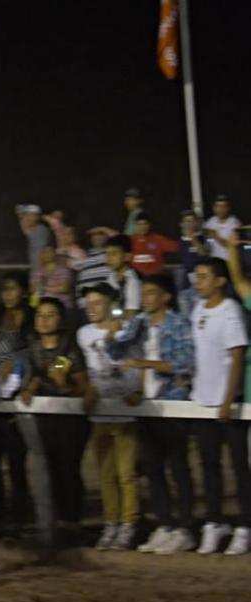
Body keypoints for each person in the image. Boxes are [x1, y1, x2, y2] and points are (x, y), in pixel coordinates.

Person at [108, 274, 197, 554]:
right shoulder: (141, 324)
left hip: (173, 403)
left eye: (150, 293)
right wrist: (112, 335)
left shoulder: (178, 324)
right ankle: (164, 525)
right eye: (143, 293)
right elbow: (117, 351)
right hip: (147, 404)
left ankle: (185, 529)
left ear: (166, 297)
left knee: (178, 468)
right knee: (154, 469)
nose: (145, 298)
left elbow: (185, 363)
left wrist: (143, 363)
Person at [188, 256, 251, 555]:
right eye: (196, 276)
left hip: (228, 405)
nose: (197, 281)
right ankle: (214, 522)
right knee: (209, 467)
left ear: (220, 281)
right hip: (202, 403)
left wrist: (227, 401)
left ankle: (244, 526)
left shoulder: (231, 312)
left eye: (203, 276)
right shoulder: (198, 309)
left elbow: (237, 357)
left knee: (239, 468)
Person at [17, 298, 91, 534]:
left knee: (69, 467)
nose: (44, 320)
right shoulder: (32, 347)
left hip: (71, 417)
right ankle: (57, 521)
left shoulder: (69, 348)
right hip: (45, 414)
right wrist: (30, 388)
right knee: (51, 466)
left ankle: (73, 520)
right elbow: (36, 375)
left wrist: (65, 386)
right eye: (40, 315)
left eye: (50, 315)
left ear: (61, 320)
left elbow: (84, 386)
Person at [77, 283, 141, 550]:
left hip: (124, 412)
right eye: (88, 304)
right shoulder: (83, 334)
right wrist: (80, 386)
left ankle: (129, 524)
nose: (91, 309)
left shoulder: (127, 332)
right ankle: (111, 522)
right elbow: (70, 360)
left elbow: (137, 360)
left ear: (109, 304)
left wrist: (135, 390)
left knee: (126, 474)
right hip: (100, 413)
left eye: (98, 303)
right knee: (105, 474)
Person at [0, 272, 32, 532]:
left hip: (21, 398)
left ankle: (21, 515)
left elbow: (58, 358)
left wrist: (20, 364)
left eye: (13, 289)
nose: (7, 294)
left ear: (24, 291)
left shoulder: (36, 317)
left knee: (17, 462)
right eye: (4, 289)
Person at [74, 226, 116, 311]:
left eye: (101, 234)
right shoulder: (84, 256)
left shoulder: (111, 253)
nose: (97, 237)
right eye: (94, 235)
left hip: (103, 304)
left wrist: (103, 229)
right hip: (85, 306)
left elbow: (120, 239)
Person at [176, 210, 208, 318]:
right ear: (181, 223)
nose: (189, 224)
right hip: (186, 283)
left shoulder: (202, 238)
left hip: (201, 281)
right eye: (186, 221)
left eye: (191, 221)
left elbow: (203, 253)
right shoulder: (180, 241)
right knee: (185, 315)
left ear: (196, 222)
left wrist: (193, 238)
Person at [105, 235, 141, 319]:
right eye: (107, 254)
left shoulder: (133, 280)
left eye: (114, 254)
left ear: (127, 257)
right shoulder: (110, 278)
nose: (109, 259)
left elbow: (131, 315)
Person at [17, 204, 51, 278]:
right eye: (28, 216)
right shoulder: (33, 229)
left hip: (44, 266)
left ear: (37, 217)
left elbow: (26, 228)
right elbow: (25, 228)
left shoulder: (41, 229)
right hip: (36, 267)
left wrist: (21, 214)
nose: (28, 218)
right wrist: (21, 215)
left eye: (31, 215)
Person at [203, 195, 240, 260]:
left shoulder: (235, 223)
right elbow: (204, 233)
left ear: (228, 208)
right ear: (214, 208)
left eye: (224, 206)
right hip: (214, 261)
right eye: (218, 206)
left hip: (229, 262)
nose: (221, 209)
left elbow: (231, 245)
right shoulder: (210, 221)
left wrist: (215, 235)